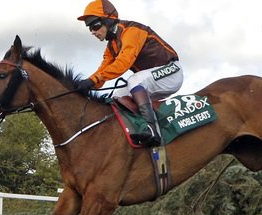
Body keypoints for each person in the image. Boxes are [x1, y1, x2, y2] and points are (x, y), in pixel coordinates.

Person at [75, 0, 182, 147]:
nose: (93, 32)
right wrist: (83, 86)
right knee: (116, 97)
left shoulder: (131, 31)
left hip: (171, 72)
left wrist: (93, 80)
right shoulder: (111, 46)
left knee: (134, 81)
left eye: (95, 26)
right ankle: (136, 133)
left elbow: (123, 63)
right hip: (152, 79)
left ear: (108, 20)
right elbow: (102, 72)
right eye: (90, 28)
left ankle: (151, 129)